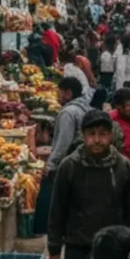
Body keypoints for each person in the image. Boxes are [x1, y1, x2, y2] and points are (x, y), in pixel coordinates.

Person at [48, 110, 130, 259]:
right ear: (83, 136)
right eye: (91, 134)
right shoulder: (70, 167)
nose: (97, 140)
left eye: (102, 134)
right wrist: (54, 248)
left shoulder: (123, 166)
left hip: (114, 250)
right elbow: (58, 209)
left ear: (110, 135)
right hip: (79, 249)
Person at [33, 78, 90, 234]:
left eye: (60, 93)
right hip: (81, 161)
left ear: (68, 93)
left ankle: (46, 230)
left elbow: (63, 142)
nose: (58, 97)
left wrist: (51, 165)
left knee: (48, 193)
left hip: (67, 162)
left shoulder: (68, 112)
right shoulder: (85, 107)